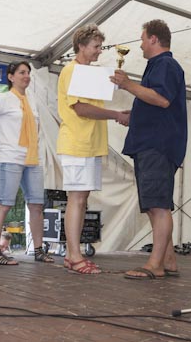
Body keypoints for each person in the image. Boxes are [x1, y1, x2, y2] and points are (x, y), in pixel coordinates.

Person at [111, 19, 187, 280]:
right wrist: (136, 114)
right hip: (153, 142)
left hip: (157, 144)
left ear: (154, 39)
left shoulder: (165, 65)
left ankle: (155, 265)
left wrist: (128, 84)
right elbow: (158, 102)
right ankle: (168, 260)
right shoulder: (158, 66)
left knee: (158, 205)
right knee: (155, 204)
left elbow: (162, 99)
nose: (141, 44)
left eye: (143, 39)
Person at [57, 23, 130, 274]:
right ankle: (74, 255)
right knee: (76, 199)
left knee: (81, 199)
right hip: (77, 142)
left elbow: (91, 106)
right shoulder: (71, 71)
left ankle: (72, 254)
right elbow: (80, 108)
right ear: (81, 46)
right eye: (96, 46)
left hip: (88, 144)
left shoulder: (90, 73)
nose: (100, 51)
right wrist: (116, 115)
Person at [0, 60, 54, 265]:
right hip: (10, 158)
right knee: (4, 204)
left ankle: (38, 250)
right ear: (10, 77)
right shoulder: (3, 99)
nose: (26, 76)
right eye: (21, 72)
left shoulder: (31, 100)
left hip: (32, 158)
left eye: (28, 73)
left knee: (36, 205)